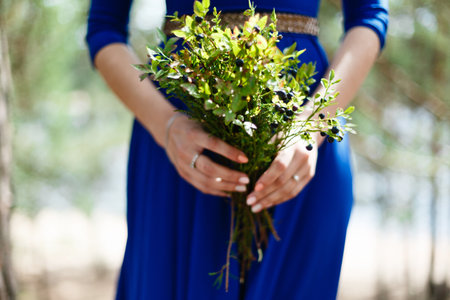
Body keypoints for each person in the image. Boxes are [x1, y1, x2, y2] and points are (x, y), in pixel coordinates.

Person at [86, 0, 388, 299]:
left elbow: (369, 14)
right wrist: (166, 126)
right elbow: (104, 28)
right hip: (180, 141)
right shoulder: (171, 133)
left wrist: (310, 126)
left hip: (303, 142)